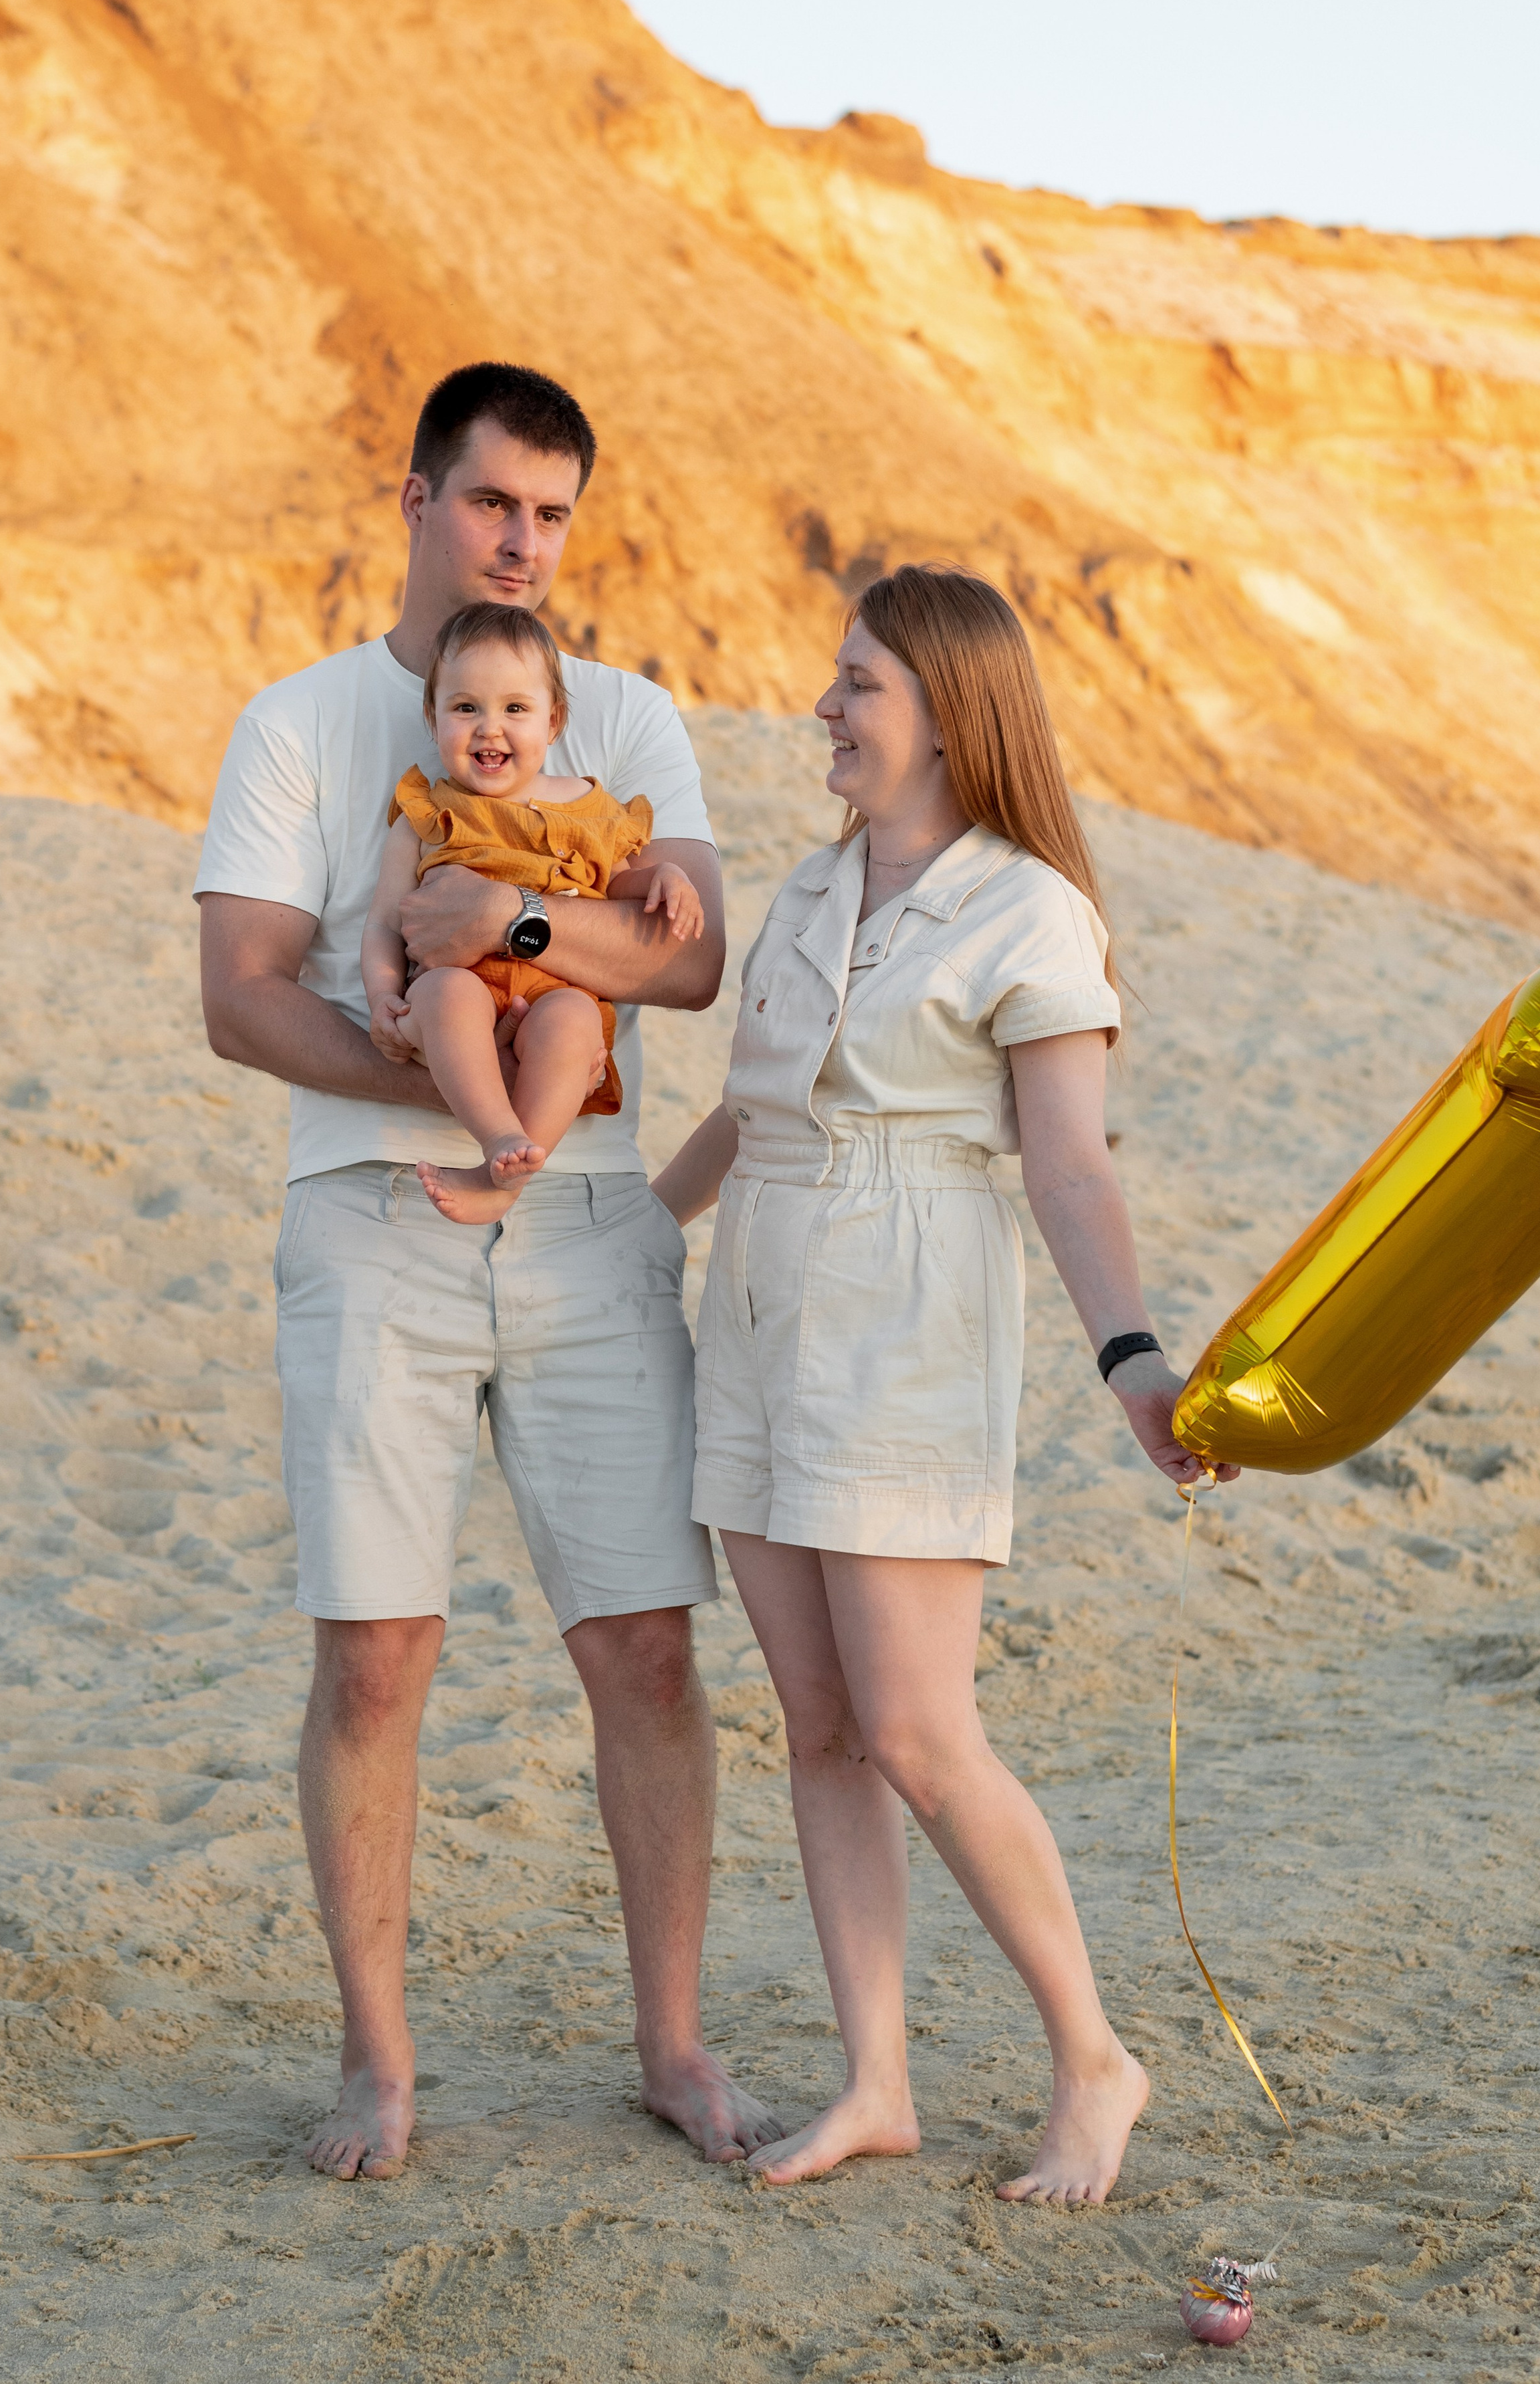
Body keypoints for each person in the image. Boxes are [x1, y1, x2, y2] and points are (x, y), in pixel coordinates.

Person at [195, 361, 780, 2179]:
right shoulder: (299, 726)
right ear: (416, 498)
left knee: (642, 1646)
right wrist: (453, 1072)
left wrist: (506, 925)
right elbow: (241, 995)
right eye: (489, 503)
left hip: (597, 1223)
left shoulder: (624, 709)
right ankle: (380, 2065)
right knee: (376, 1655)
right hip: (372, 1217)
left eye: (549, 513)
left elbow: (686, 962)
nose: (518, 539)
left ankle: (672, 2046)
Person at [652, 563, 1238, 2203]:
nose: (823, 711)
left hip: (910, 1319)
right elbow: (743, 1109)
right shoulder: (807, 887)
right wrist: (639, 1237)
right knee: (821, 1726)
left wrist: (1131, 1359)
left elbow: (1068, 1167)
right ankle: (877, 2080)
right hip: (757, 1313)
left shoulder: (1028, 908)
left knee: (916, 1725)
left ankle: (1092, 2056)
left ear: (942, 715)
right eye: (833, 680)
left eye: (856, 687)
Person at [361, 601, 703, 1222]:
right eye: (466, 708)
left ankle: (517, 1166)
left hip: (550, 993)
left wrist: (667, 877)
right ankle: (499, 1139)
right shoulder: (428, 816)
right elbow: (386, 920)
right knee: (447, 996)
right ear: (432, 717)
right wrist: (383, 995)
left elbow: (623, 887)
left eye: (515, 709)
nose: (490, 728)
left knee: (574, 1019)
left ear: (554, 722)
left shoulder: (590, 811)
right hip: (456, 989)